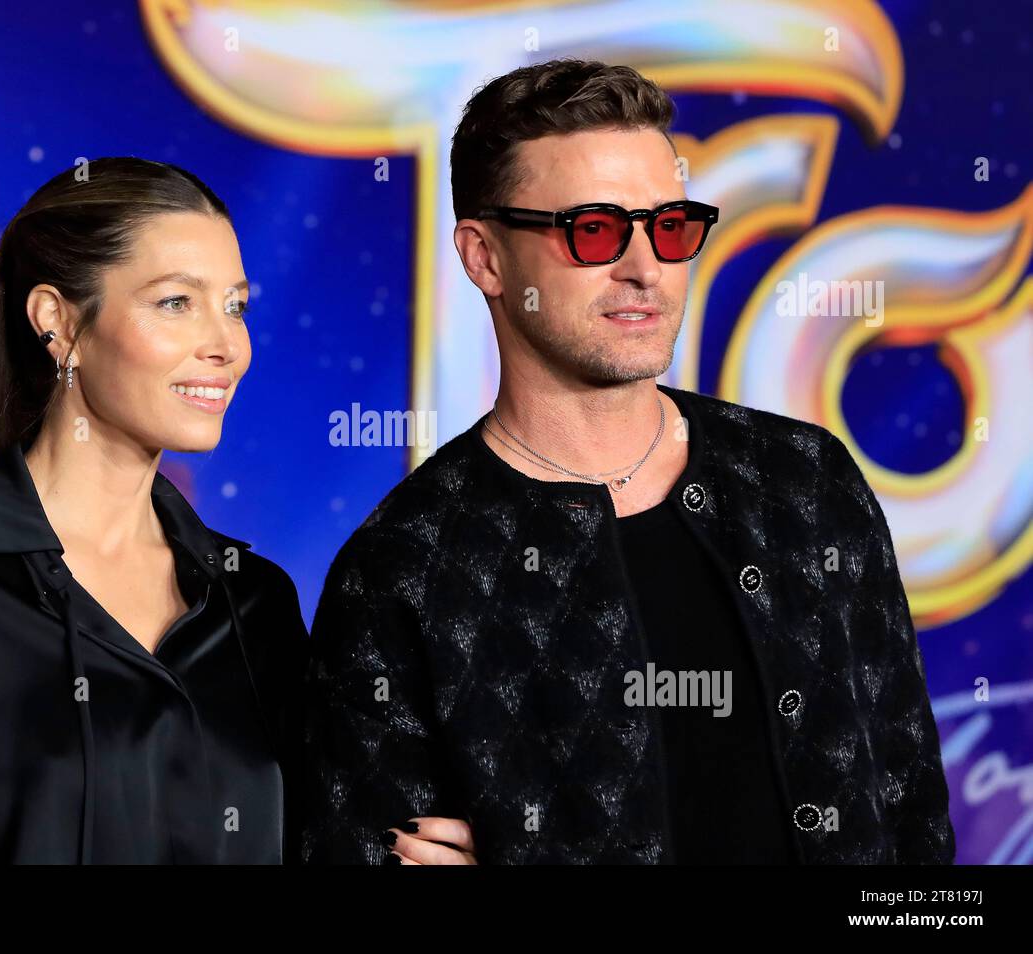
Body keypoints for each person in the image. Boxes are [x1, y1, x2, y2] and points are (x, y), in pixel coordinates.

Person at [303, 61, 955, 864]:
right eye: (594, 230)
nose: (646, 268)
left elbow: (917, 825)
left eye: (670, 225)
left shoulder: (805, 481)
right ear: (484, 258)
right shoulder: (404, 569)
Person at [0, 157, 473, 864]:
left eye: (235, 306)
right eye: (176, 302)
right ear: (58, 322)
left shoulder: (256, 605)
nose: (226, 346)